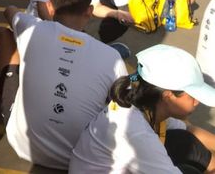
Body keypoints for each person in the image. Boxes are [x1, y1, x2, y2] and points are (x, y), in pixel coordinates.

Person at [0, 0, 127, 170]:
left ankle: (7, 81)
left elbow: (9, 11)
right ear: (89, 12)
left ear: (49, 7)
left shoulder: (31, 28)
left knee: (5, 35)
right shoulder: (112, 56)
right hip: (78, 156)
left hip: (23, 145)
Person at [70, 45, 215, 173]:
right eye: (193, 96)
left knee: (184, 141)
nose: (197, 102)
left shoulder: (143, 101)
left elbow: (188, 130)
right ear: (168, 96)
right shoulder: (137, 132)